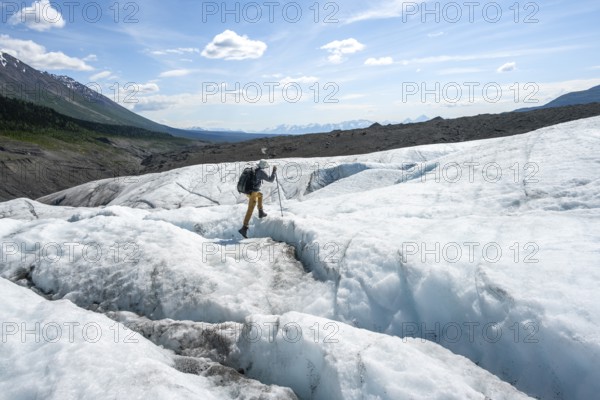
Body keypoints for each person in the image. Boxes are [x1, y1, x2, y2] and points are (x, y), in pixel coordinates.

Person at [239, 160, 277, 238]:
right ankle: (244, 228)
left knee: (260, 195)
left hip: (249, 191)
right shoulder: (261, 172)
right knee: (250, 210)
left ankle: (260, 211)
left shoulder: (254, 169)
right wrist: (274, 171)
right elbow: (271, 180)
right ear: (263, 166)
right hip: (253, 192)